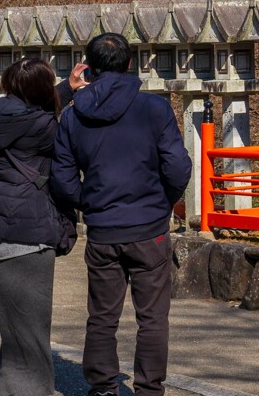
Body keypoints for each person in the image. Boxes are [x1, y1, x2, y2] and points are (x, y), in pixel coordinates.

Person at [52, 33, 192, 396]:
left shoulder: (72, 116)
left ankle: (101, 388)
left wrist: (89, 201)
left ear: (89, 69)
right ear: (130, 64)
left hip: (102, 228)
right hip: (149, 227)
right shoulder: (154, 108)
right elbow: (177, 165)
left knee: (102, 316)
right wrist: (163, 201)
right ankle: (148, 389)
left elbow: (63, 177)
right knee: (152, 318)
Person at [0, 56, 89, 396]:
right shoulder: (44, 128)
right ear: (40, 91)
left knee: (16, 328)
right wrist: (68, 91)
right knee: (32, 332)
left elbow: (33, 108)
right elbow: (49, 119)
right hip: (26, 235)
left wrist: (67, 87)